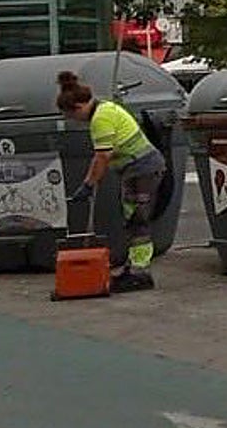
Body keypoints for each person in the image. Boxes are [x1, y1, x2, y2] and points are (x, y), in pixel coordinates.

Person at [56, 71, 165, 293]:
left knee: (137, 220)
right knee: (133, 218)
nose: (72, 121)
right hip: (140, 168)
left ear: (78, 107)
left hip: (140, 169)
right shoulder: (105, 107)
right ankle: (134, 267)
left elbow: (102, 156)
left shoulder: (100, 119)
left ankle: (139, 272)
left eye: (69, 116)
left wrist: (87, 184)